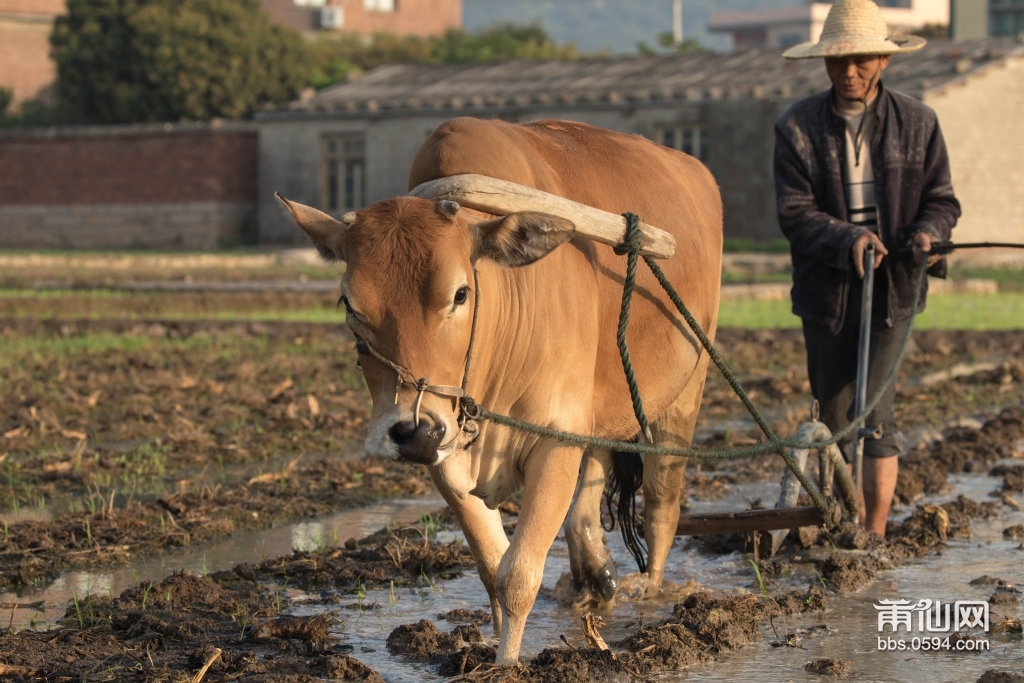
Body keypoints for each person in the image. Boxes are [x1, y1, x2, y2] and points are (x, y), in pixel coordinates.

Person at [773, 0, 960, 534]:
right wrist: (848, 237)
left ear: (884, 61)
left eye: (861, 61)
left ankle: (872, 534)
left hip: (896, 285)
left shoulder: (918, 123)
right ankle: (838, 523)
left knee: (875, 416)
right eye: (838, 61)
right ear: (824, 62)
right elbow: (794, 212)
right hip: (827, 291)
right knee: (830, 419)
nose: (849, 72)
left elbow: (942, 200)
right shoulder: (797, 128)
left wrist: (929, 234)